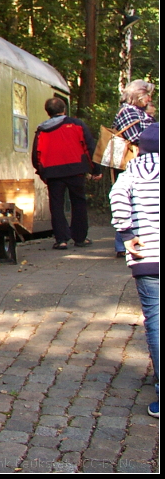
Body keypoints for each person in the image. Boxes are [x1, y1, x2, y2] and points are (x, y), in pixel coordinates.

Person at [110, 121, 160, 418]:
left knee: (156, 321)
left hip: (147, 257)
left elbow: (117, 198)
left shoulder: (131, 173)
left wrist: (126, 234)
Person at [32, 96, 100, 249]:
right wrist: (95, 169)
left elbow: (36, 154)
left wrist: (41, 172)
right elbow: (89, 147)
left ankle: (61, 239)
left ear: (48, 112)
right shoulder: (77, 124)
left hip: (53, 172)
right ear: (64, 110)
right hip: (76, 169)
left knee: (56, 205)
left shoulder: (42, 130)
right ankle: (80, 237)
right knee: (79, 203)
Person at [112, 80, 156, 257]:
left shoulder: (137, 111)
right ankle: (123, 244)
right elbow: (136, 137)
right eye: (147, 95)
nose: (149, 99)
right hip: (133, 163)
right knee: (128, 200)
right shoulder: (128, 111)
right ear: (138, 95)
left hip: (144, 162)